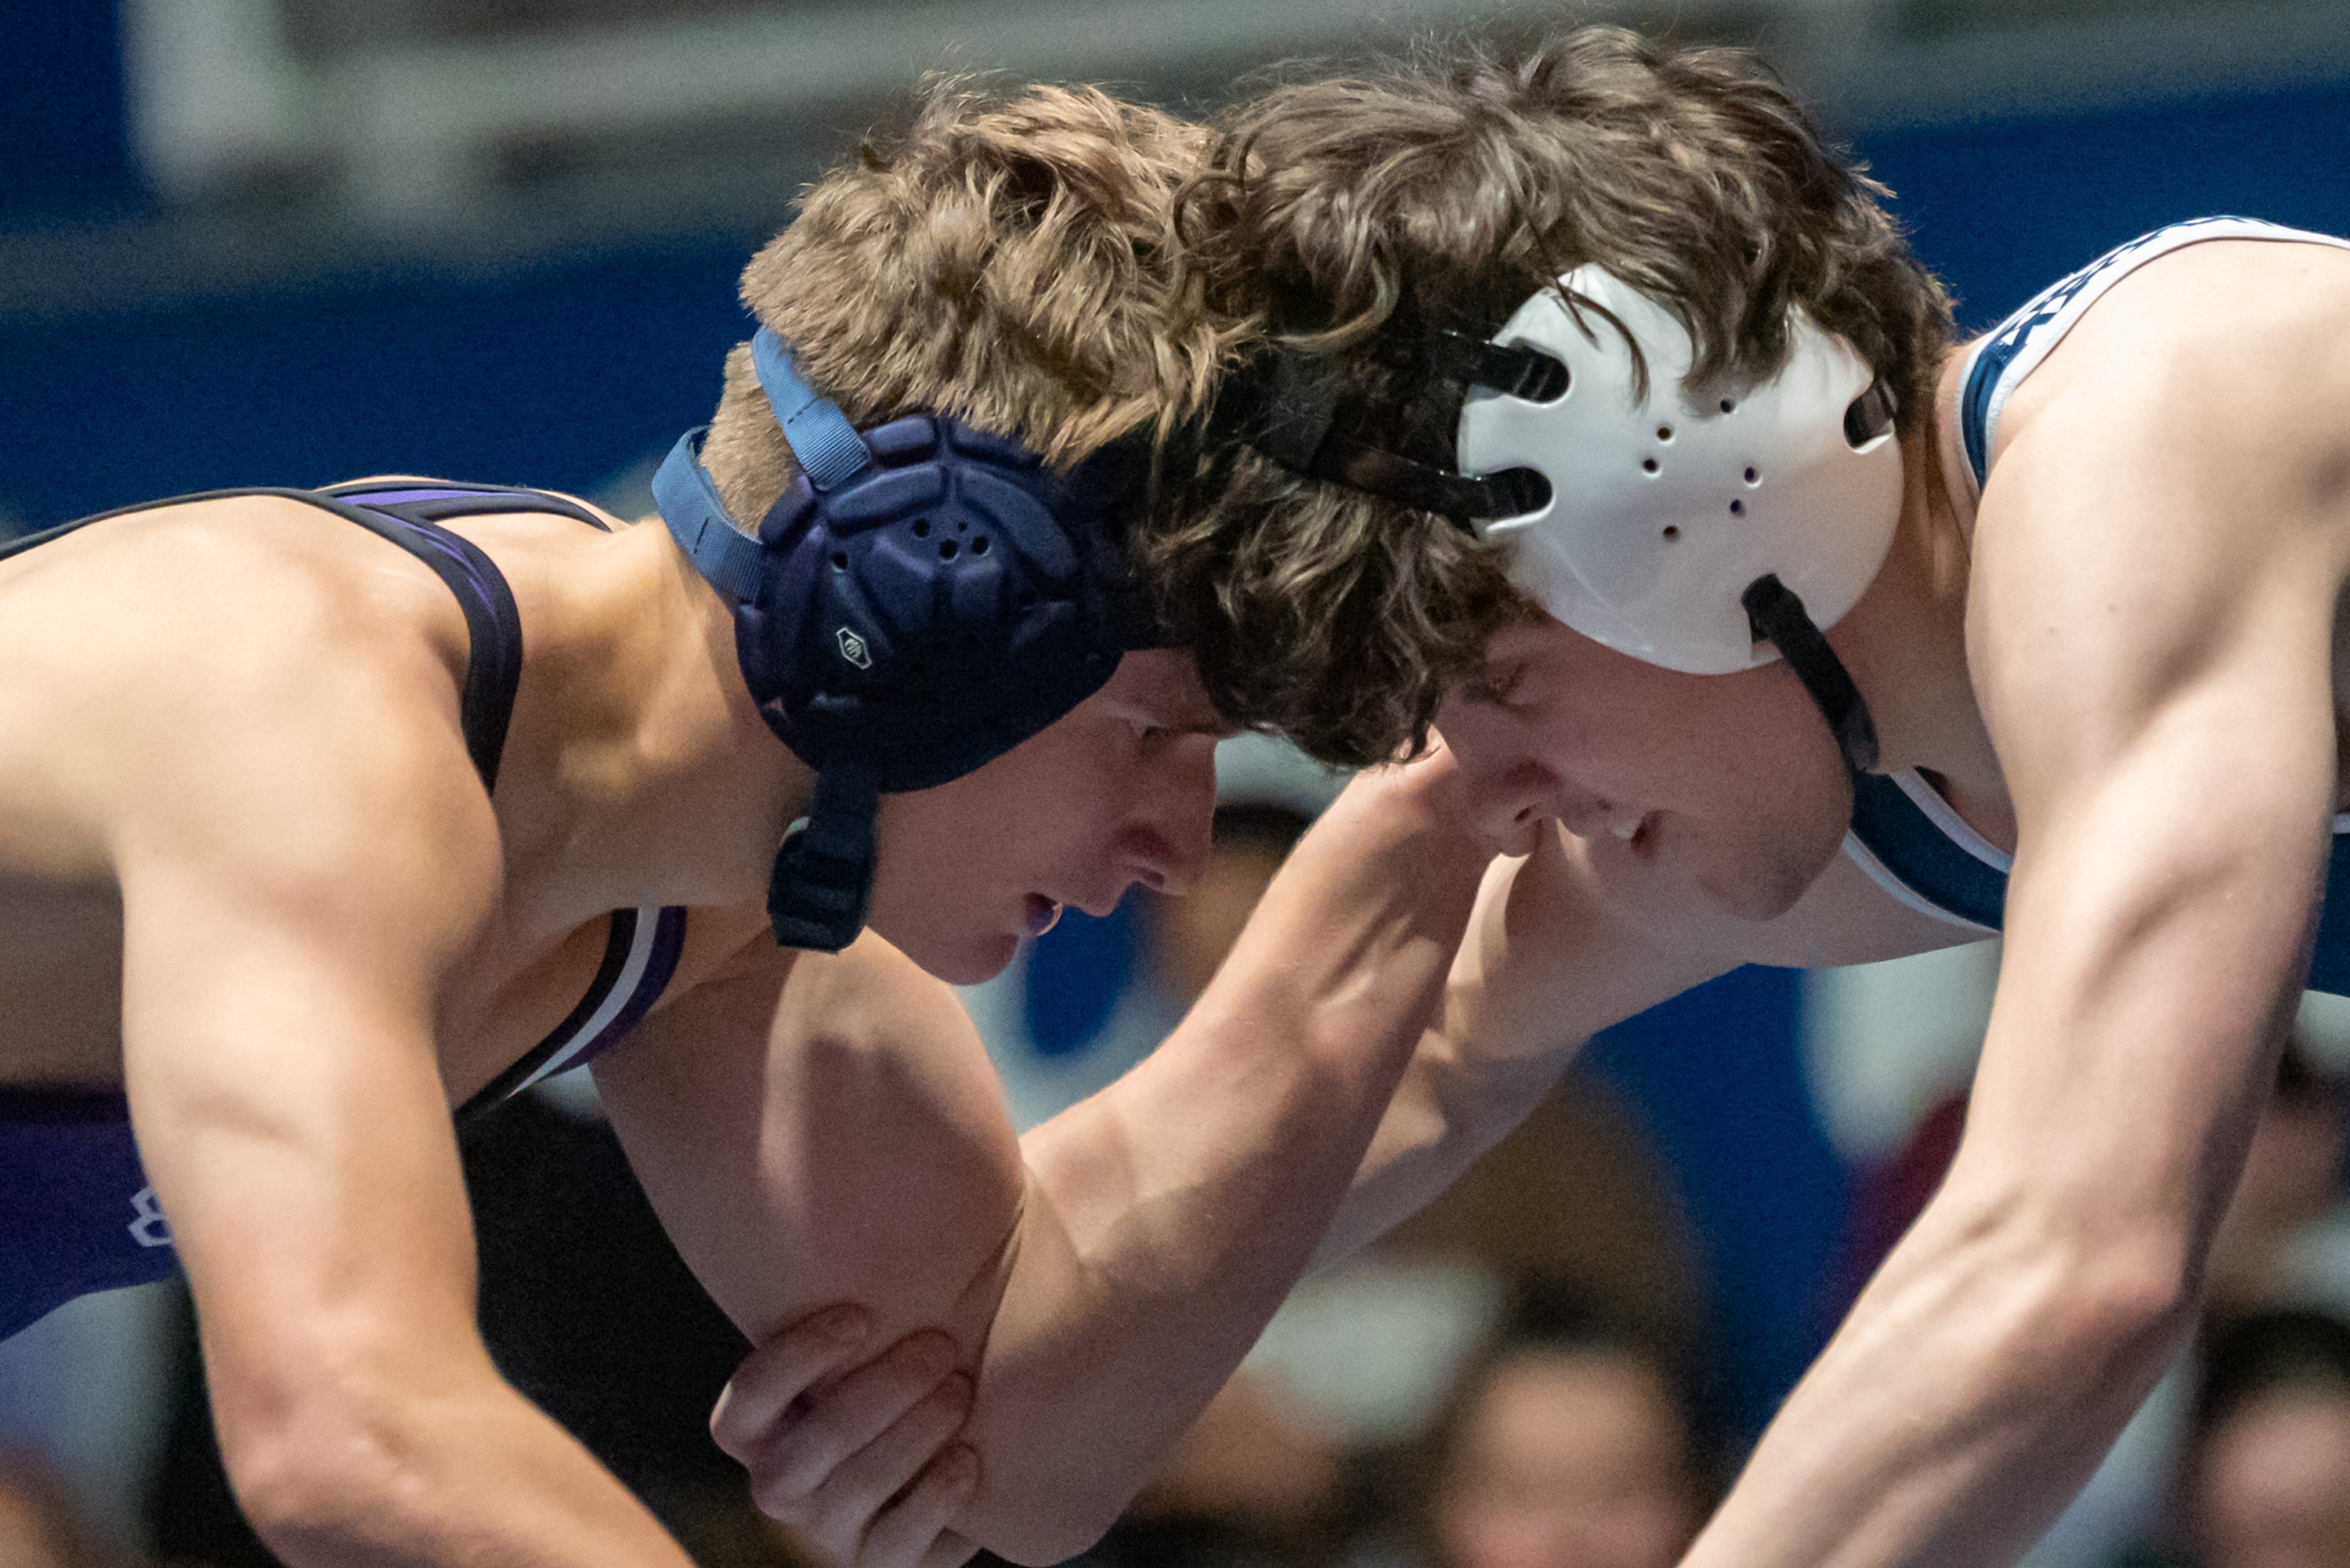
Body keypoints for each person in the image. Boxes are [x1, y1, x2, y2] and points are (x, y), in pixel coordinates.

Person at [725, 27, 2350, 1568]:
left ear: (1711, 493)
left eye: (1492, 690)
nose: (1486, 796)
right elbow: (1373, 1072)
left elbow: (2073, 1268)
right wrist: (933, 1371)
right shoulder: (1800, 755)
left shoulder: (2157, 420)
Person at [0, 80, 1488, 1568]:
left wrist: (1469, 828)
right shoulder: (306, 713)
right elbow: (355, 1439)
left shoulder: (696, 898)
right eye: (1154, 733)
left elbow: (1017, 1432)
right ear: (923, 610)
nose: (1174, 841)